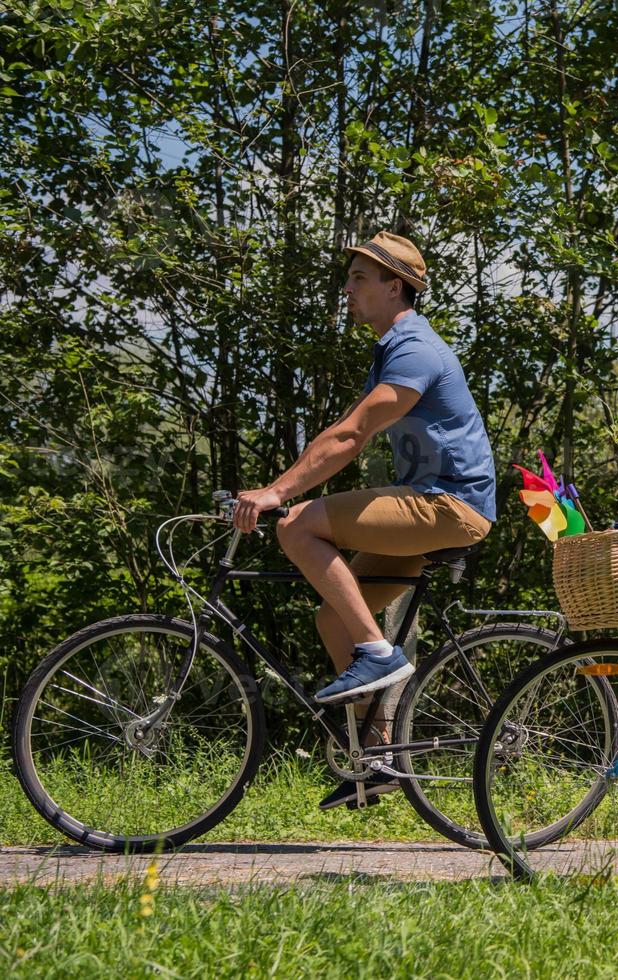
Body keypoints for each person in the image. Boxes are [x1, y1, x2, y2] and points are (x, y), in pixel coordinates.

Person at [231, 230, 498, 810]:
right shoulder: (390, 347)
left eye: (359, 278)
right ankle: (378, 758)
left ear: (394, 286)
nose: (347, 288)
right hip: (429, 501)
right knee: (336, 621)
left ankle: (380, 655)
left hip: (450, 505)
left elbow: (352, 434)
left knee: (296, 525)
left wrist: (277, 492)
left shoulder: (416, 349)